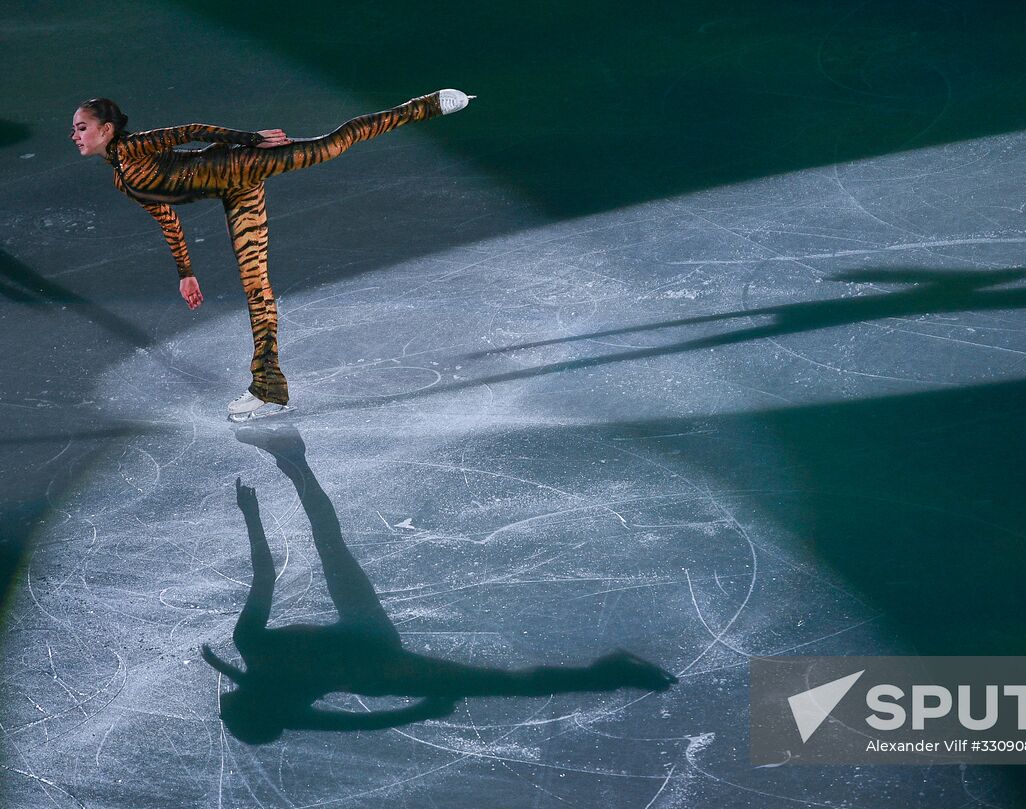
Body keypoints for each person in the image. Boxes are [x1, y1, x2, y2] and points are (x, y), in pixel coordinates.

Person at [202, 425, 677, 744]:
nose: (218, 715)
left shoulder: (274, 696)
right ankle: (294, 459)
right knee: (330, 543)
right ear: (249, 704)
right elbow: (264, 575)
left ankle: (606, 673)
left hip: (375, 662)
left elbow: (365, 722)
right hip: (375, 657)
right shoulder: (253, 654)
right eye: (229, 716)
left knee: (504, 686)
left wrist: (421, 710)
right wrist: (252, 517)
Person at [71, 89, 475, 420]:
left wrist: (251, 139)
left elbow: (190, 131)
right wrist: (186, 272)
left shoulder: (136, 147)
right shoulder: (122, 179)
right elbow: (167, 218)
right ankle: (269, 389)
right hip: (235, 190)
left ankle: (424, 106)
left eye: (82, 127)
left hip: (239, 160)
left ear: (106, 130)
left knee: (331, 144)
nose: (76, 135)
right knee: (256, 287)